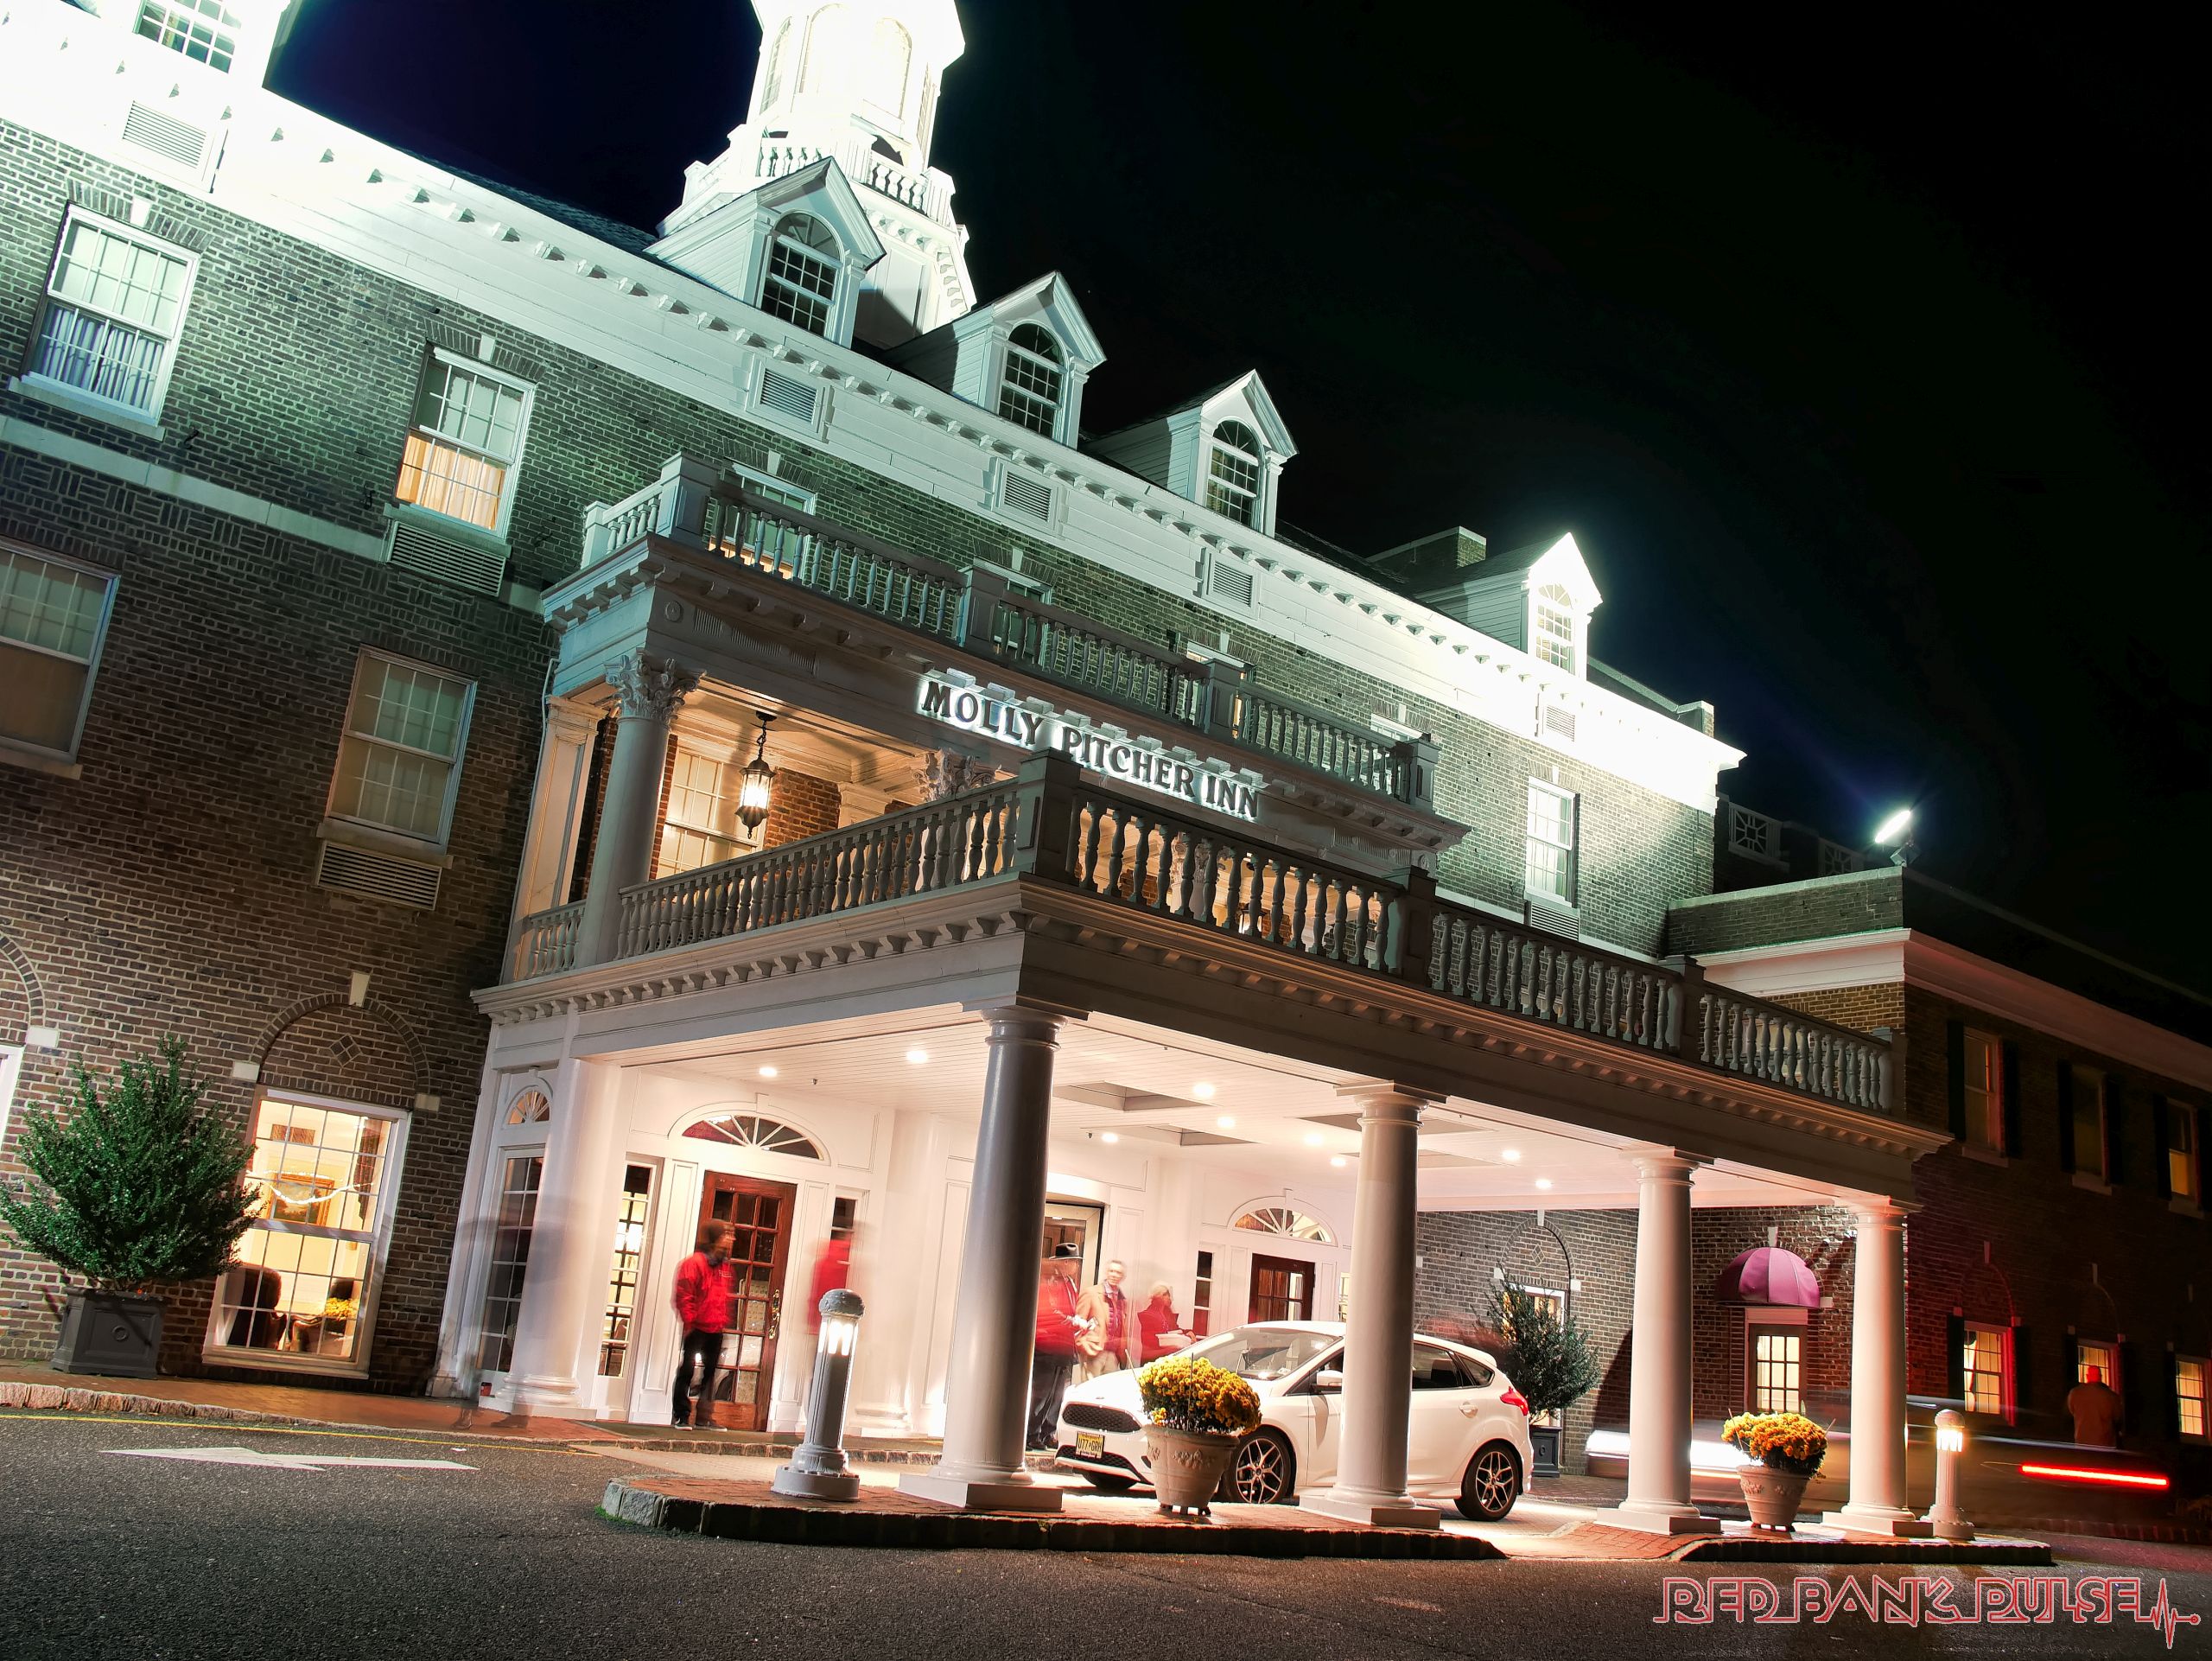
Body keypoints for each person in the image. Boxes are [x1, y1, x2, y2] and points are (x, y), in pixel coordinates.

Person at [671, 1222, 736, 1428]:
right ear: (717, 1237)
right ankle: (681, 1415)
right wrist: (690, 1321)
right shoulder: (694, 1263)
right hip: (696, 1327)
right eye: (728, 1234)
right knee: (687, 1371)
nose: (732, 1239)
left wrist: (722, 1320)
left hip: (716, 1327)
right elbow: (684, 1294)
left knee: (710, 1373)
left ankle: (704, 1416)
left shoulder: (724, 1266)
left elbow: (724, 1297)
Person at [1028, 1244, 1086, 1450]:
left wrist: (1077, 1323)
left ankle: (1047, 1433)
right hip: (1048, 1346)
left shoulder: (1070, 1283)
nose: (1076, 1266)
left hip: (1062, 1347)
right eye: (1074, 1262)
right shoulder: (1050, 1281)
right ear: (1065, 1263)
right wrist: (1073, 1321)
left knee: (1057, 1395)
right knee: (1042, 1394)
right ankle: (1032, 1434)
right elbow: (1051, 1312)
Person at [1075, 1258, 1135, 1378]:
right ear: (1107, 1272)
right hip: (1094, 1351)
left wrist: (1121, 1352)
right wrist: (1084, 1346)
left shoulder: (1122, 1300)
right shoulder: (1091, 1293)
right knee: (1090, 1388)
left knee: (1108, 1388)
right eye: (1111, 1271)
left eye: (1118, 1272)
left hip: (1113, 1354)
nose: (1114, 1275)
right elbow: (1078, 1322)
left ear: (1123, 1277)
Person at [2066, 1363, 2122, 1448]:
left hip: (2082, 1442)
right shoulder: (2111, 1396)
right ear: (2100, 1377)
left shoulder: (2075, 1393)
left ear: (2087, 1376)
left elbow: (2071, 1411)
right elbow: (2117, 1417)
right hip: (2105, 1443)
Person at [1135, 1281, 1192, 1362]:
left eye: (1169, 1295)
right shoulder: (1148, 1316)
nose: (1169, 1298)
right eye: (1165, 1294)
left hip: (1167, 1359)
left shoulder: (1167, 1314)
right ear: (1156, 1297)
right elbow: (1147, 1350)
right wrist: (1167, 1350)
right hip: (1154, 1362)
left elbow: (1174, 1329)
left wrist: (1187, 1332)